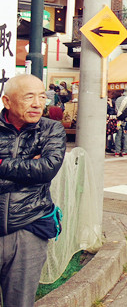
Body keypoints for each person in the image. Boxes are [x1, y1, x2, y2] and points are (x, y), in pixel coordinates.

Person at [0, 74, 66, 307]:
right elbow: (34, 171)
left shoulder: (51, 130)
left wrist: (2, 165)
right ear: (7, 102)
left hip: (30, 226)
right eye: (29, 97)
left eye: (42, 96)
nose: (38, 104)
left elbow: (46, 169)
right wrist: (28, 169)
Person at [114, 86, 127, 156]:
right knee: (126, 135)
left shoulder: (118, 99)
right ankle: (125, 151)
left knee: (118, 136)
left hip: (118, 120)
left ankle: (117, 150)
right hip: (125, 120)